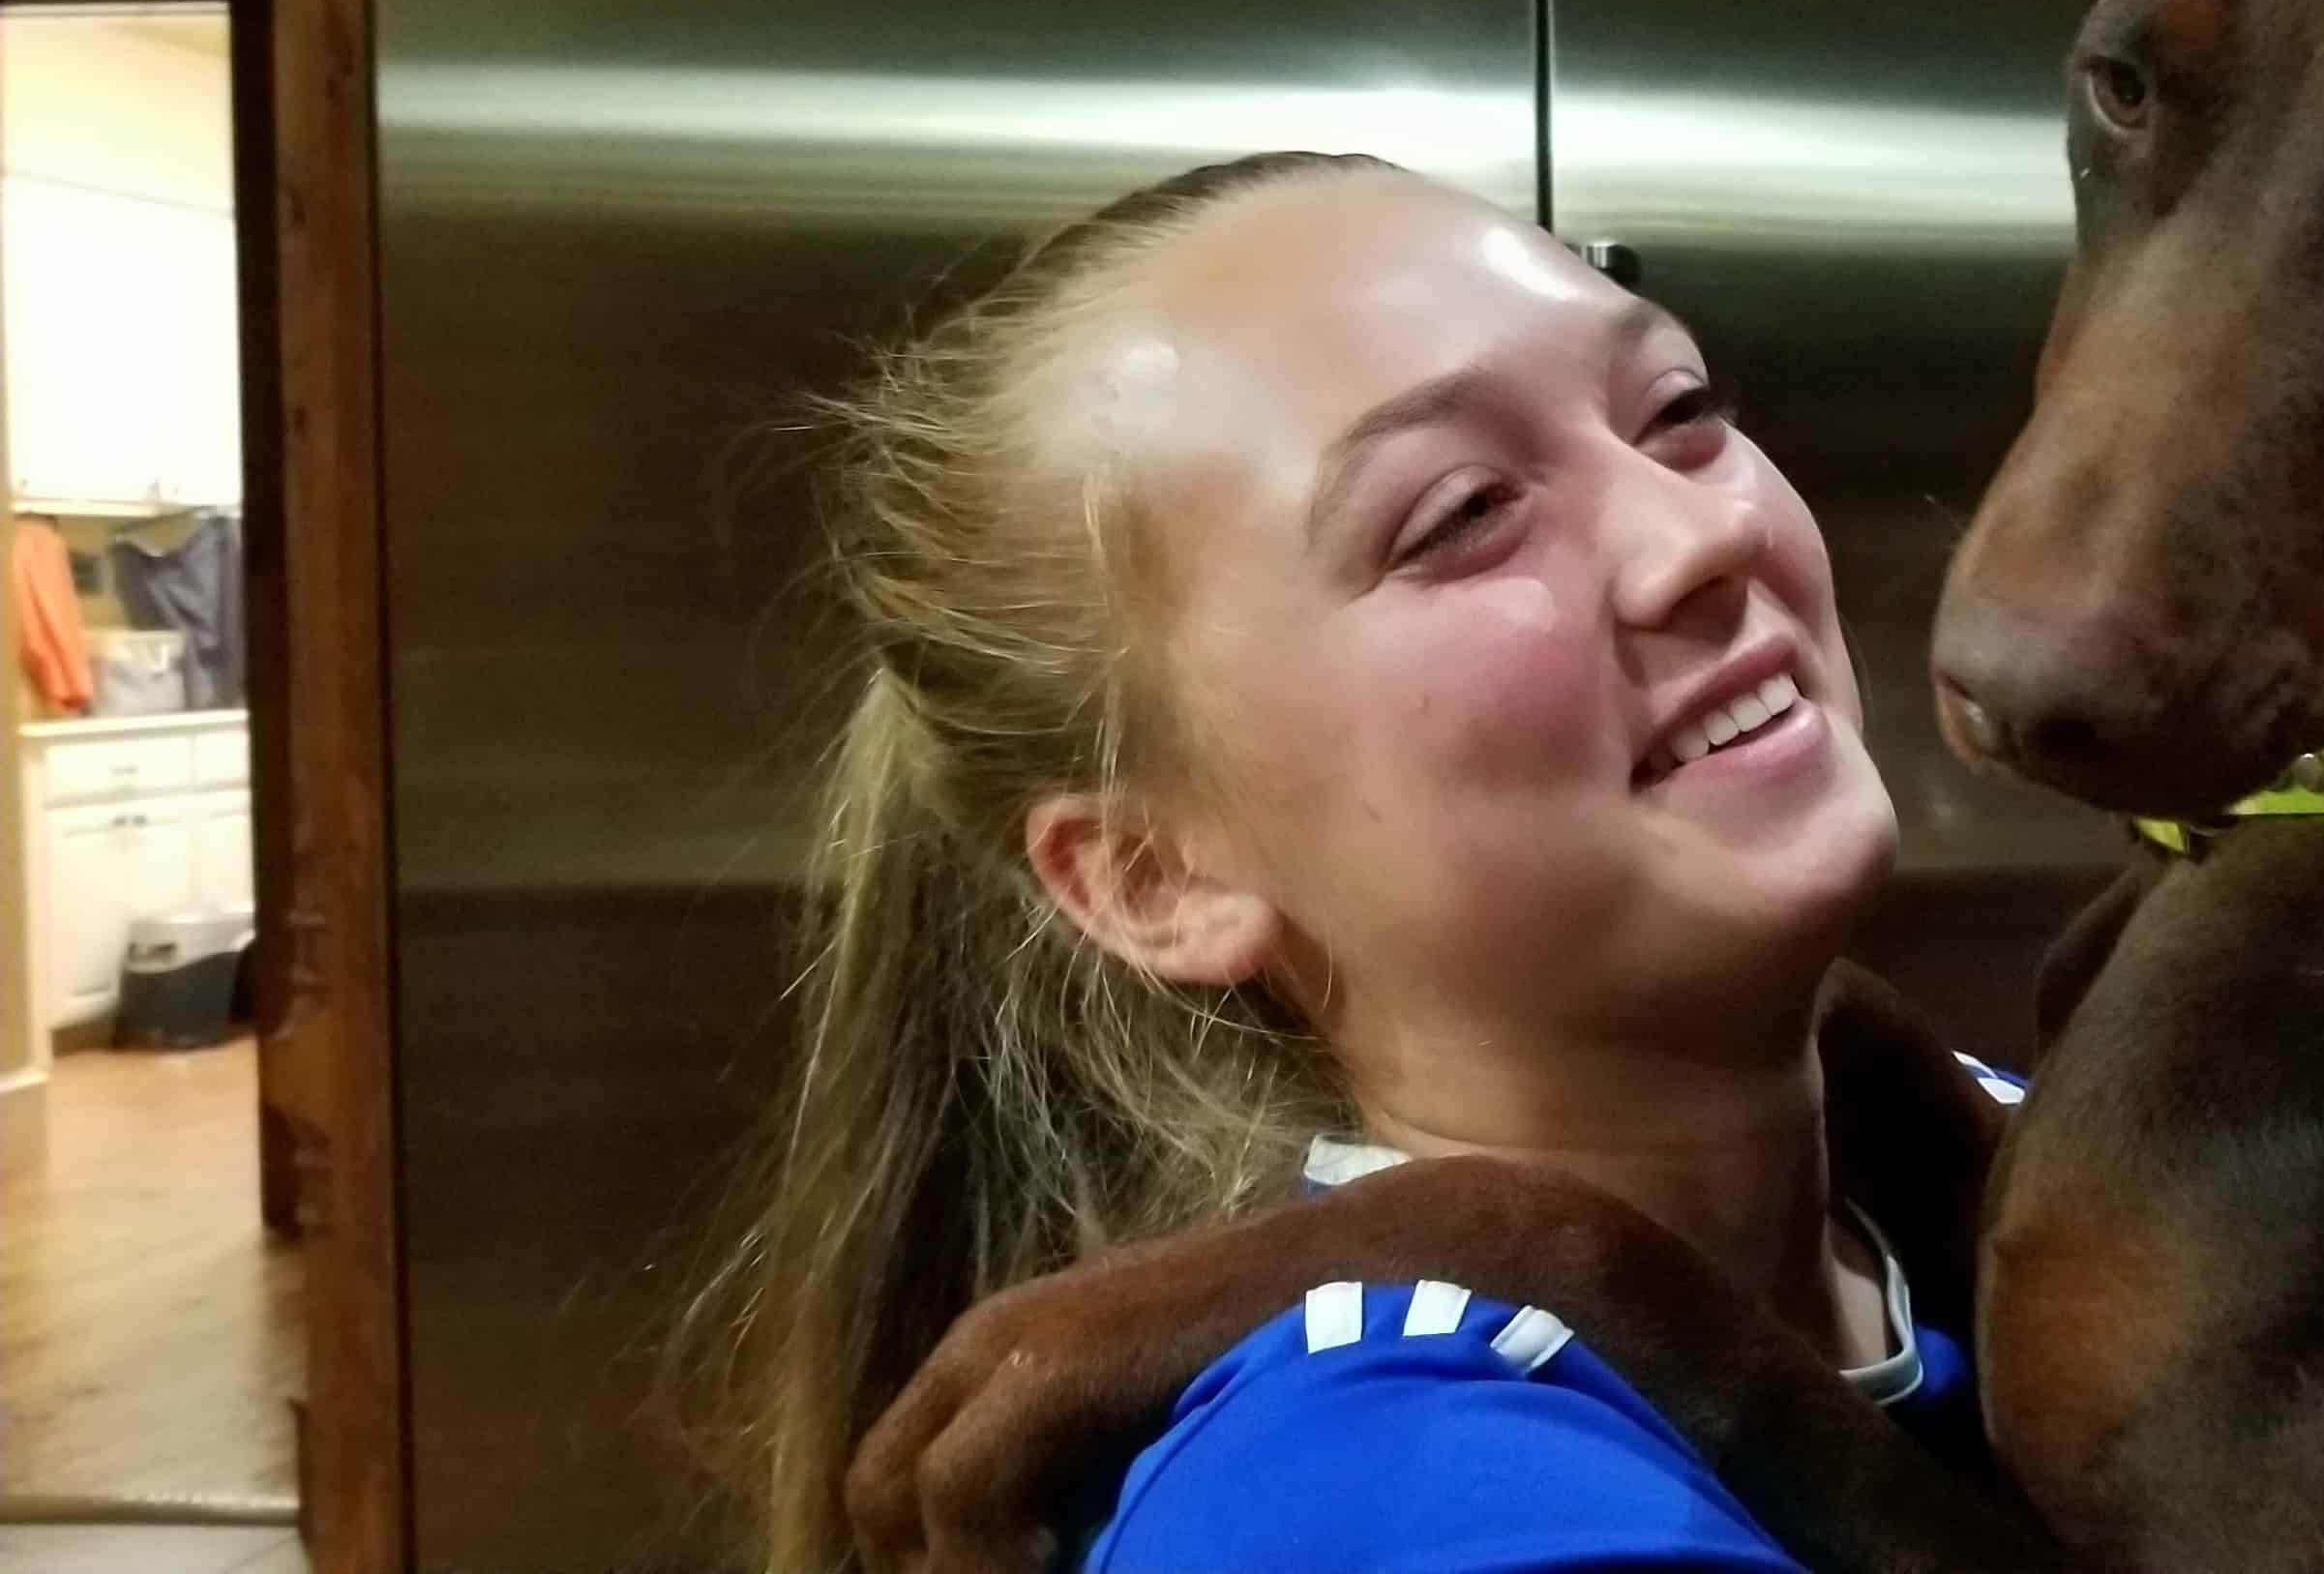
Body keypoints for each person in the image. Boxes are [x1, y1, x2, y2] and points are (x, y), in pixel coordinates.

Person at [676, 151, 2019, 1571]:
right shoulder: (1384, 1498)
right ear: (1155, 876)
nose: (1709, 531)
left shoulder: (1983, 1171)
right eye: (1460, 514)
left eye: (1679, 411)